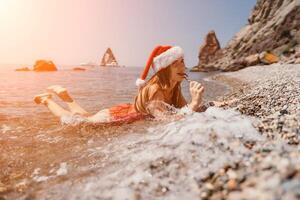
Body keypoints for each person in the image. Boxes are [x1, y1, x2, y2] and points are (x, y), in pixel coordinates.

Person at [34, 45, 214, 123]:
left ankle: (66, 97)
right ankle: (47, 100)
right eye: (179, 62)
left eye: (183, 61)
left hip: (127, 113)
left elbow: (184, 111)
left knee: (83, 117)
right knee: (75, 122)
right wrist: (195, 103)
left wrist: (209, 105)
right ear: (167, 69)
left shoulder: (173, 87)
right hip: (115, 117)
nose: (185, 66)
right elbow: (165, 121)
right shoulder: (155, 90)